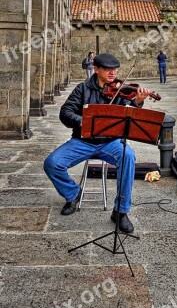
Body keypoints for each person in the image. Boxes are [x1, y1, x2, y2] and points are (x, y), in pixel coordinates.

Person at [43, 53, 152, 234]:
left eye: (115, 69)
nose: (112, 73)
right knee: (52, 163)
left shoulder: (119, 89)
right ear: (96, 69)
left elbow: (130, 113)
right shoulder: (83, 88)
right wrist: (83, 121)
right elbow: (65, 112)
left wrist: (138, 101)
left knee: (128, 156)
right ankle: (73, 194)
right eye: (108, 69)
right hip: (82, 141)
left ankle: (120, 211)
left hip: (110, 142)